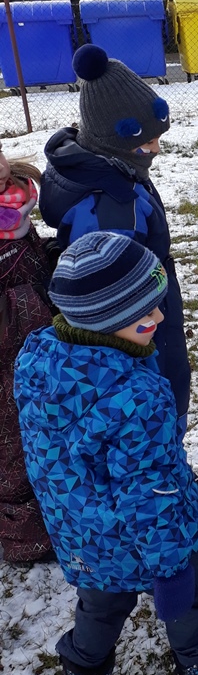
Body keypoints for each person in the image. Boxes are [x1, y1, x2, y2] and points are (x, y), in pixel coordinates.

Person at [14, 231, 198, 675]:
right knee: (191, 595)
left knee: (100, 605)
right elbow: (150, 493)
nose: (159, 318)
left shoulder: (38, 360)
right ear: (105, 321)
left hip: (82, 533)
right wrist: (170, 567)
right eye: (145, 316)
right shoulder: (135, 395)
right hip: (150, 536)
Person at [39, 44, 198, 486]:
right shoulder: (113, 204)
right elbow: (115, 288)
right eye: (146, 142)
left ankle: (168, 463)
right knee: (159, 386)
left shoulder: (107, 168)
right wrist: (150, 315)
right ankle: (162, 475)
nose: (155, 149)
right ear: (114, 138)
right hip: (138, 321)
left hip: (146, 300)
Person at [0, 145, 56, 564]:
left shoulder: (16, 201)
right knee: (12, 440)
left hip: (34, 341)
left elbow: (26, 259)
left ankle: (53, 511)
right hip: (7, 349)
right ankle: (22, 536)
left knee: (42, 426)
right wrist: (27, 302)